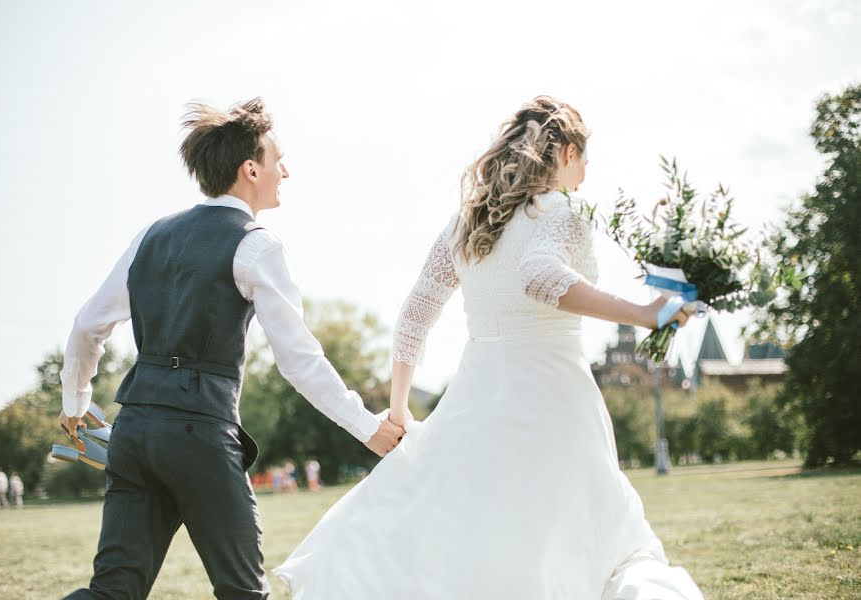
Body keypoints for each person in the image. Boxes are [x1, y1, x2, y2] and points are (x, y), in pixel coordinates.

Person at [274, 96, 703, 599]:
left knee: (482, 540)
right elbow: (540, 277)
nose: (585, 175)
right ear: (565, 153)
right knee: (596, 540)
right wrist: (646, 314)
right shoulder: (563, 211)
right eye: (584, 160)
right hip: (552, 400)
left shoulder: (466, 225)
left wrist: (398, 412)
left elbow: (413, 317)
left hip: (473, 402)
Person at [59, 97, 404, 600]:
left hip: (131, 432)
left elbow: (87, 326)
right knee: (243, 593)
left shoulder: (151, 235)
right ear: (250, 169)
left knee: (112, 592)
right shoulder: (258, 244)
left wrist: (75, 405)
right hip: (198, 433)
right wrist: (369, 428)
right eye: (276, 160)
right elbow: (299, 361)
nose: (285, 170)